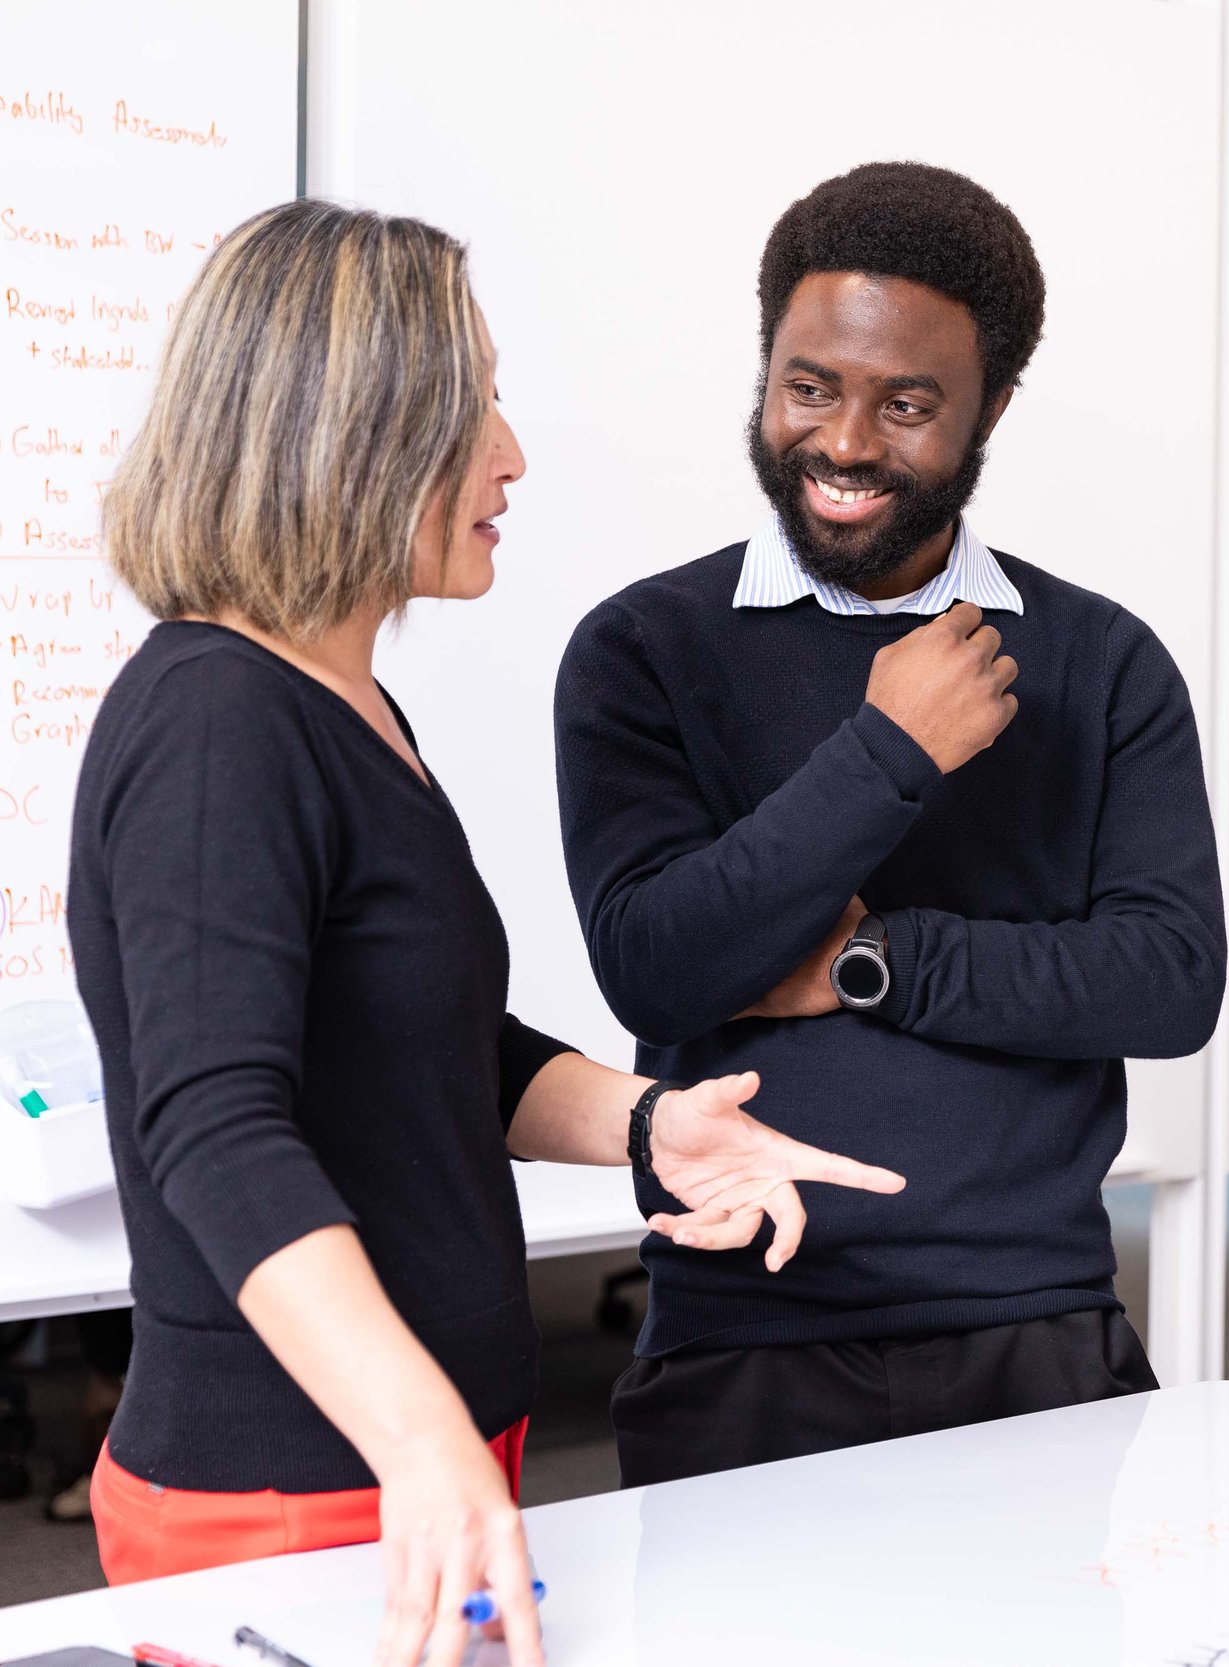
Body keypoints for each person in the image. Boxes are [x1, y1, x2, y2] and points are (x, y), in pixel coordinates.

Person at [74, 200, 902, 1667]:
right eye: (475, 408)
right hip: (295, 1483)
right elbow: (214, 1123)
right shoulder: (217, 723)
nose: (511, 455)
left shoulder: (347, 709)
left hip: (411, 1456)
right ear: (350, 431)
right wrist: (418, 1435)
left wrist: (656, 1124)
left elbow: (447, 1048)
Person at [554, 162, 1225, 1486]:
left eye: (906, 404)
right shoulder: (644, 648)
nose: (846, 443)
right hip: (741, 1337)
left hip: (1035, 1330)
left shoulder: (1101, 659)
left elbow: (1166, 982)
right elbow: (656, 960)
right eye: (810, 386)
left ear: (992, 410)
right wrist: (888, 754)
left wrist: (880, 961)